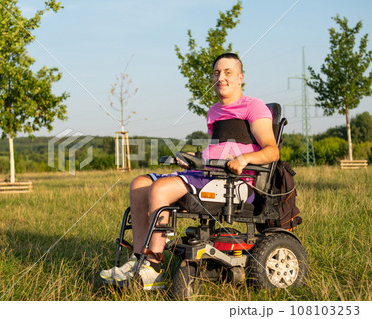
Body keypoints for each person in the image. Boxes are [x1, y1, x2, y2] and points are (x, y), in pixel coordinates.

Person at [100, 53, 279, 290]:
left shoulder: (253, 106)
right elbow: (218, 152)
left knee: (161, 189)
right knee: (139, 183)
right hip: (209, 175)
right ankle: (138, 260)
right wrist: (193, 161)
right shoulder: (214, 112)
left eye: (228, 72)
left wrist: (244, 158)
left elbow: (271, 151)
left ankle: (153, 268)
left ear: (240, 78)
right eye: (217, 73)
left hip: (237, 184)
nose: (221, 78)